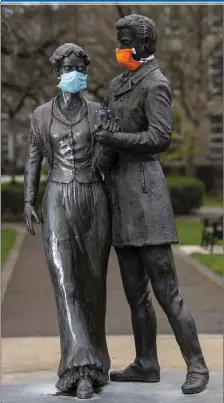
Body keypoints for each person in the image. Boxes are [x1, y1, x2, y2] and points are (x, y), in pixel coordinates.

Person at [94, 15, 209, 395]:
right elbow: (110, 141)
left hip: (147, 196)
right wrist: (96, 164)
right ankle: (146, 363)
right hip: (120, 201)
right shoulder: (116, 85)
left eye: (125, 41)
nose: (120, 47)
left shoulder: (156, 83)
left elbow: (160, 137)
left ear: (143, 45)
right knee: (134, 292)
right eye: (119, 39)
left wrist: (113, 138)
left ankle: (197, 366)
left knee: (166, 291)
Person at [24, 43, 113, 400]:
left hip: (94, 199)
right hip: (57, 199)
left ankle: (97, 364)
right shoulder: (40, 115)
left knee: (93, 286)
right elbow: (33, 160)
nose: (75, 73)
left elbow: (109, 161)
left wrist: (109, 136)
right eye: (68, 67)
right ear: (58, 73)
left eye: (80, 67)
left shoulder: (99, 113)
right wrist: (29, 200)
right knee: (66, 284)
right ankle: (78, 370)